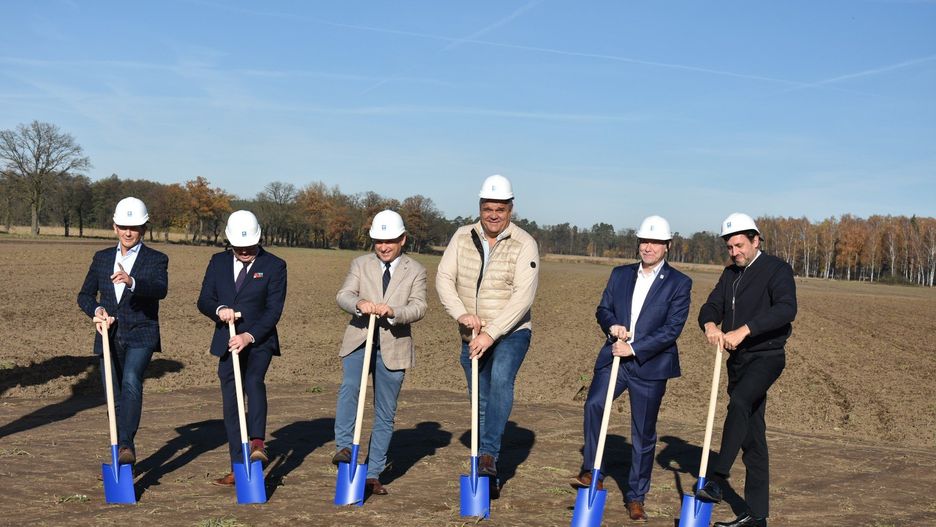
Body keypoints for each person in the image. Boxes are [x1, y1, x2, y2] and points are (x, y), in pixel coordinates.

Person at [571, 215, 692, 522]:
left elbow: (672, 329)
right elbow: (603, 309)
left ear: (666, 246)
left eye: (655, 242)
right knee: (594, 404)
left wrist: (635, 348)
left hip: (650, 366)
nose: (648, 247)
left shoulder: (679, 283)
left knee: (643, 433)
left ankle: (636, 496)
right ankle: (592, 471)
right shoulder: (620, 274)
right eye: (644, 241)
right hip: (615, 358)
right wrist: (612, 325)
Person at [435, 174, 539, 495]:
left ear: (511, 209)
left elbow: (523, 297)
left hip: (512, 331)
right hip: (472, 332)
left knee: (501, 380)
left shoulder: (524, 243)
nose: (494, 215)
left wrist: (492, 333)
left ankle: (489, 455)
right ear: (480, 207)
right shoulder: (461, 236)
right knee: (479, 398)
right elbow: (444, 278)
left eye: (500, 209)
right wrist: (461, 314)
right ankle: (486, 473)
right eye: (488, 208)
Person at [695, 213, 797, 527]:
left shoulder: (777, 269)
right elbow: (711, 306)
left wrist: (745, 330)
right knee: (753, 439)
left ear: (755, 240)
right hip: (737, 361)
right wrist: (710, 324)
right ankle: (756, 515)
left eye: (739, 245)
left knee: (739, 401)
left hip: (767, 357)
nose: (734, 252)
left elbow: (786, 309)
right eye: (729, 247)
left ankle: (717, 479)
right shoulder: (730, 275)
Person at [332, 210, 428, 496]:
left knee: (385, 411)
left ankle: (373, 473)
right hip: (359, 341)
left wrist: (394, 312)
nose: (384, 247)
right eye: (378, 241)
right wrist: (359, 304)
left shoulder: (416, 270)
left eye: (389, 241)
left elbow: (419, 306)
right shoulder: (360, 264)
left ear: (402, 239)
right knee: (350, 389)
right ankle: (344, 449)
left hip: (394, 347)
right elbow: (343, 295)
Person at [197, 210, 287, 487]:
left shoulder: (275, 266)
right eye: (239, 247)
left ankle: (257, 442)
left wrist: (249, 335)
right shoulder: (218, 262)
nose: (245, 251)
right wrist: (219, 310)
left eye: (249, 246)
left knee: (253, 380)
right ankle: (238, 465)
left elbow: (274, 310)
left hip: (259, 339)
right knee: (232, 401)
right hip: (227, 340)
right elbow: (204, 299)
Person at [77, 196, 169, 466]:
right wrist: (97, 311)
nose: (128, 233)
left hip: (142, 332)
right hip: (109, 335)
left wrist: (132, 282)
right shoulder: (102, 258)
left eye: (134, 228)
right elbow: (84, 295)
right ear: (115, 227)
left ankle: (127, 444)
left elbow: (160, 289)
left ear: (143, 229)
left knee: (131, 379)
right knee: (113, 393)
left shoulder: (156, 259)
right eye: (123, 227)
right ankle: (120, 449)